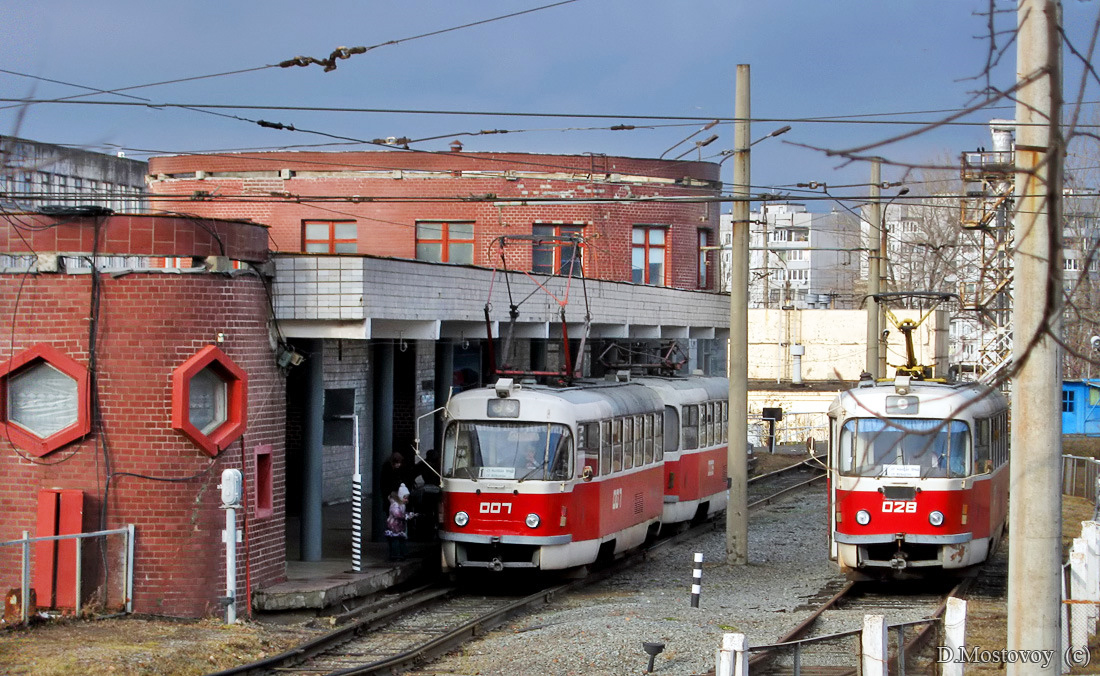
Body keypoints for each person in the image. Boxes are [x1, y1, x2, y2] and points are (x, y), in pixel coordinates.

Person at [385, 484, 414, 561]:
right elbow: (397, 514)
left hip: (398, 527)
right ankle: (396, 555)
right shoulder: (395, 505)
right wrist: (406, 516)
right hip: (393, 527)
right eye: (405, 498)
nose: (406, 500)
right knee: (395, 541)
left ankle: (401, 554)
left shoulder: (401, 505)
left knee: (400, 541)